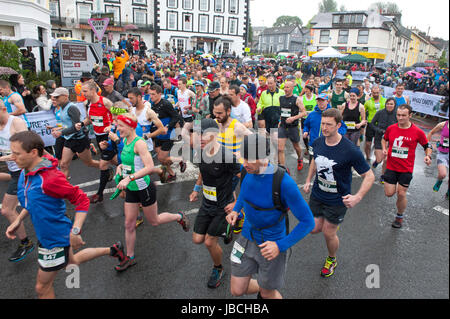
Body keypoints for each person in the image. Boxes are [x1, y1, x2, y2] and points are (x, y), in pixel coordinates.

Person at [5, 131, 125, 298]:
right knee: (72, 262)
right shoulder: (27, 171)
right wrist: (18, 220)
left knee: (42, 288)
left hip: (54, 239)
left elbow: (82, 199)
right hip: (48, 234)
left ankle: (112, 250)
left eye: (16, 153)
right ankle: (113, 250)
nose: (12, 157)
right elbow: (35, 201)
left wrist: (74, 231)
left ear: (33, 153)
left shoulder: (50, 179)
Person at [226, 133, 315, 299]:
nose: (244, 164)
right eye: (243, 158)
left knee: (267, 293)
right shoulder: (246, 170)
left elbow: (308, 221)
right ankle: (263, 285)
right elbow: (245, 193)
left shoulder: (283, 182)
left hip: (271, 244)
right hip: (245, 238)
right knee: (237, 290)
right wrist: (236, 210)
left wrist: (280, 245)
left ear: (264, 157)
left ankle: (266, 288)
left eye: (249, 159)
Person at [113, 113, 190, 271]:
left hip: (144, 188)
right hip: (132, 189)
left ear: (130, 126)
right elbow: (129, 163)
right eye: (117, 125)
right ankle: (130, 256)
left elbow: (149, 167)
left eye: (120, 125)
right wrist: (120, 168)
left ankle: (179, 216)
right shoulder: (125, 140)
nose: (117, 128)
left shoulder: (139, 143)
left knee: (154, 221)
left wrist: (130, 178)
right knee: (129, 223)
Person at [303, 108, 375, 278]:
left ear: (339, 125)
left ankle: (332, 258)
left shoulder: (350, 150)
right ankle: (328, 223)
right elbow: (315, 160)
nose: (325, 127)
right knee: (313, 229)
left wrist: (357, 197)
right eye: (323, 124)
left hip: (338, 199)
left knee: (329, 232)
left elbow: (369, 175)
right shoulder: (318, 142)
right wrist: (308, 180)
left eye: (329, 124)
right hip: (318, 194)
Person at [189, 118, 241, 288]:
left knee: (210, 242)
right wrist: (196, 189)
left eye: (204, 135)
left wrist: (237, 204)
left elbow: (247, 179)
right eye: (198, 135)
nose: (200, 138)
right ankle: (229, 228)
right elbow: (202, 173)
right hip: (207, 203)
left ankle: (218, 268)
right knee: (197, 239)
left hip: (223, 205)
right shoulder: (200, 152)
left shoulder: (227, 156)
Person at [381, 104, 432, 229]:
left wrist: (428, 156)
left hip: (406, 168)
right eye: (398, 115)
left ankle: (399, 216)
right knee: (389, 193)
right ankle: (399, 209)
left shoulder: (417, 131)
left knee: (401, 193)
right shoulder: (391, 128)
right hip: (392, 167)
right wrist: (384, 148)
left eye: (403, 115)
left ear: (410, 115)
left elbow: (427, 146)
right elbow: (384, 139)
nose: (400, 118)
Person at [0, 99, 34, 262]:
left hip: (27, 170)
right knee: (30, 203)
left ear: (2, 109)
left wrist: (8, 157)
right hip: (15, 172)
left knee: (8, 209)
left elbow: (28, 148)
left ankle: (26, 243)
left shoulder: (17, 123)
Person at [49, 88, 99, 179]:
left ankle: (105, 168)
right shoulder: (61, 108)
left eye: (57, 97)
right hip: (69, 139)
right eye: (54, 97)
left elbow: (77, 127)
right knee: (63, 165)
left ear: (65, 97)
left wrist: (61, 132)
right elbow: (67, 125)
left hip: (80, 140)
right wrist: (56, 129)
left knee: (89, 163)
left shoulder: (72, 108)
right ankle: (65, 191)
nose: (55, 99)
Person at [150, 84, 186, 182]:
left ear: (159, 94)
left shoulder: (165, 104)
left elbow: (176, 116)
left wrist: (167, 127)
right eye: (150, 94)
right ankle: (172, 174)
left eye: (153, 94)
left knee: (161, 158)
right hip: (158, 135)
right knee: (161, 159)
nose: (151, 96)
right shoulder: (152, 105)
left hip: (168, 135)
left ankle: (180, 160)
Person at [302, 94, 347, 159]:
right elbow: (306, 125)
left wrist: (336, 134)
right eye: (318, 101)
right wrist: (305, 131)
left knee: (327, 165)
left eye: (322, 100)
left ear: (327, 101)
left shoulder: (334, 114)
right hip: (313, 144)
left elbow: (343, 127)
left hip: (329, 144)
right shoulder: (312, 114)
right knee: (312, 163)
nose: (320, 103)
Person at [277, 80, 307, 171]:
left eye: (287, 87)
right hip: (283, 126)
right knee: (280, 148)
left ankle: (300, 159)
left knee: (296, 147)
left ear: (292, 88)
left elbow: (304, 112)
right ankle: (282, 168)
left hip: (293, 127)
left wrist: (293, 118)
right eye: (284, 87)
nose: (285, 89)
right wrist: (279, 120)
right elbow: (282, 111)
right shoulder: (281, 98)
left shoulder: (296, 99)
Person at [369, 98, 398, 180]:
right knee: (380, 159)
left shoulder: (397, 114)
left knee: (386, 159)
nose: (389, 105)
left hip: (391, 140)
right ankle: (376, 161)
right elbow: (372, 124)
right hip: (379, 138)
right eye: (388, 104)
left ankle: (383, 176)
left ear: (395, 105)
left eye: (391, 104)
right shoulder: (380, 113)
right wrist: (379, 130)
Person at [427, 120, 449, 199]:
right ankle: (439, 180)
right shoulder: (443, 124)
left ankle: (448, 192)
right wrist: (428, 147)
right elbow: (431, 132)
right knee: (443, 174)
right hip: (443, 153)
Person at [364, 86, 386, 161]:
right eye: (374, 93)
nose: (376, 94)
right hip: (370, 124)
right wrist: (363, 121)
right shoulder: (368, 102)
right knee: (368, 143)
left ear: (379, 92)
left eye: (377, 93)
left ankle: (378, 158)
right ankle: (367, 157)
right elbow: (363, 112)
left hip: (381, 125)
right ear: (371, 92)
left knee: (379, 143)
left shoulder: (385, 100)